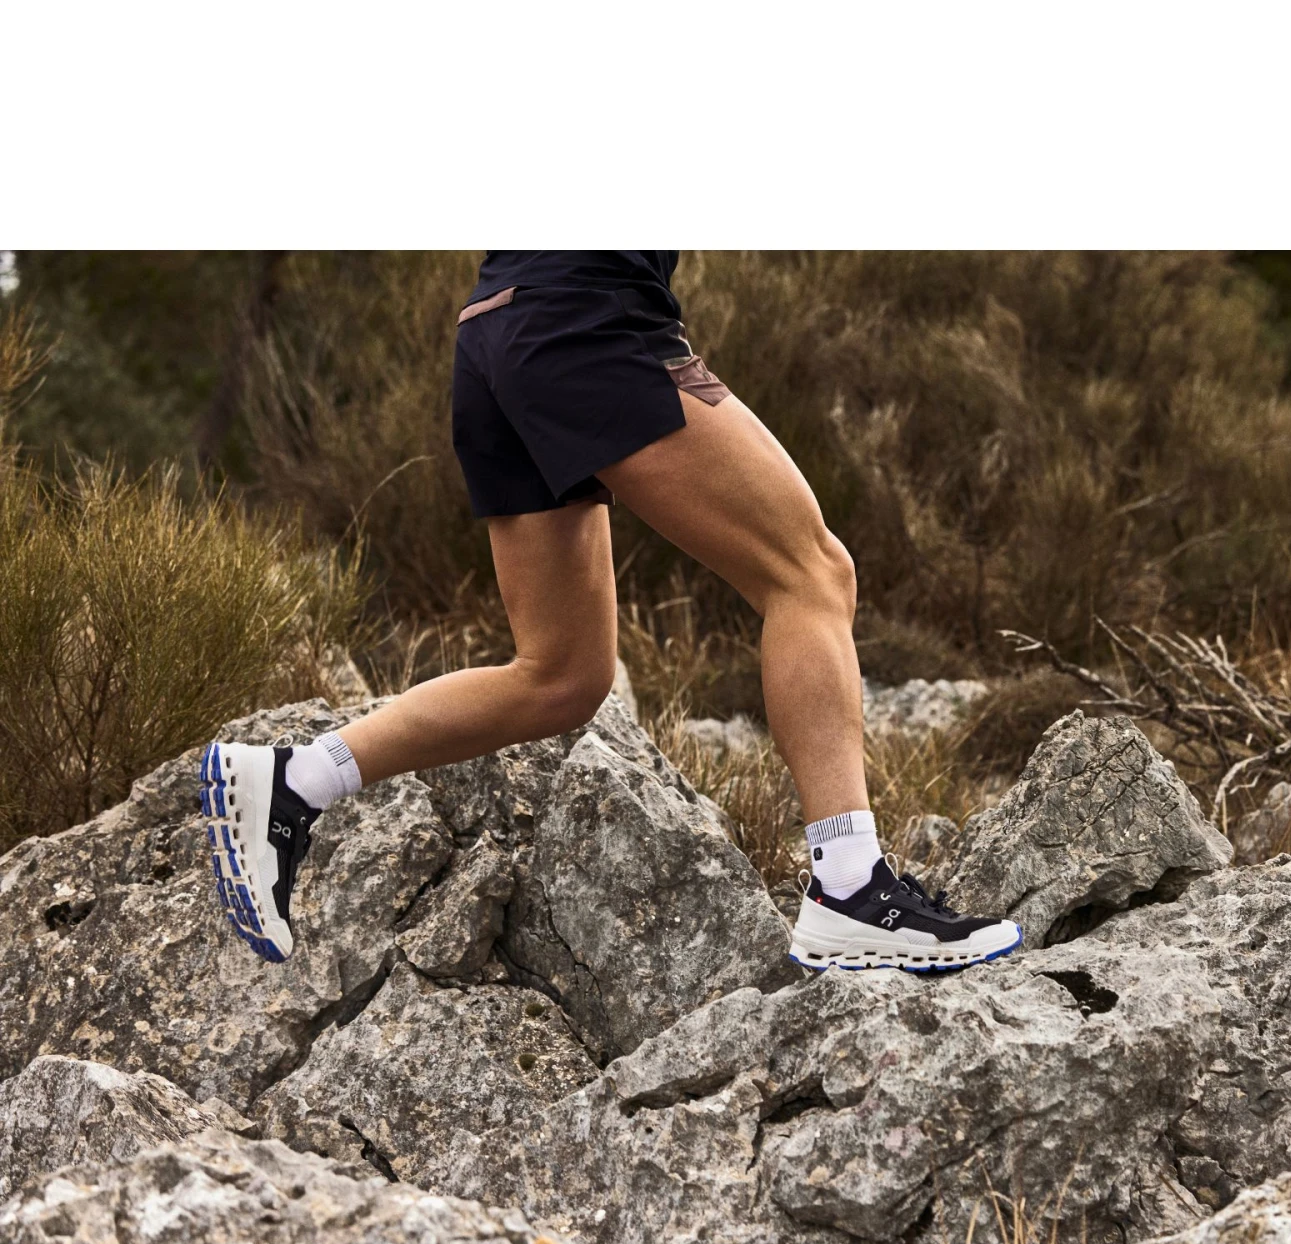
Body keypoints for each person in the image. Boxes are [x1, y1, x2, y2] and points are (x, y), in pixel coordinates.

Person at [198, 251, 1022, 972]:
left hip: (496, 328)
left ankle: (294, 782)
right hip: (586, 317)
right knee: (811, 575)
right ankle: (850, 889)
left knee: (561, 676)